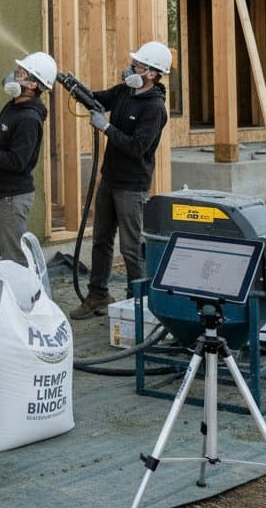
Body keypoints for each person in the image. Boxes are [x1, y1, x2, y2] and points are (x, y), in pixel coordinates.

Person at [70, 40, 171, 320]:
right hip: (109, 179)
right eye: (134, 63)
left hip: (132, 187)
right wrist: (72, 85)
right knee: (101, 239)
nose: (131, 68)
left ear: (152, 73)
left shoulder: (154, 108)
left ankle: (138, 305)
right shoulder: (125, 91)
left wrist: (106, 127)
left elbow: (137, 146)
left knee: (130, 247)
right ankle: (98, 296)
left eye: (138, 66)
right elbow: (98, 99)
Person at [0, 51, 57, 265]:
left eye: (21, 72)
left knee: (13, 258)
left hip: (12, 198)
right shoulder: (15, 105)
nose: (14, 74)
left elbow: (18, 161)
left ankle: (21, 298)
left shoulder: (29, 118)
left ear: (33, 84)